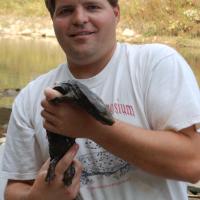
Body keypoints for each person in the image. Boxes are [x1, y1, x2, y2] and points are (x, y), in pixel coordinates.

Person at [1, 0, 200, 199]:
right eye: (66, 10)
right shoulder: (30, 98)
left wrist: (91, 127)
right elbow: (15, 187)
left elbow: (193, 164)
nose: (79, 19)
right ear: (52, 20)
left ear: (116, 13)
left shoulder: (156, 64)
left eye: (92, 7)